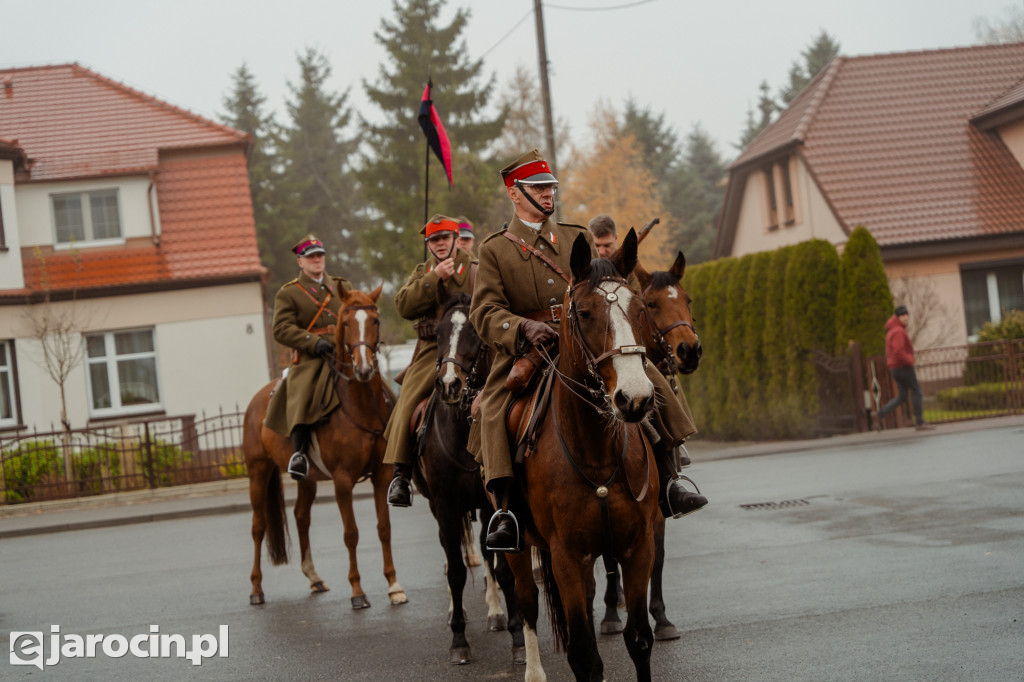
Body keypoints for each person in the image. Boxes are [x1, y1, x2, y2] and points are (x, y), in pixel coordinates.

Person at [469, 149, 707, 552]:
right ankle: (505, 512)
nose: (548, 195)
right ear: (515, 193)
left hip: (585, 340)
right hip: (527, 348)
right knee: (493, 411)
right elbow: (484, 311)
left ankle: (671, 479)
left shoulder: (573, 236)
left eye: (551, 188)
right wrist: (522, 326)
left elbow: (604, 283)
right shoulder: (495, 249)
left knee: (647, 379)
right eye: (539, 189)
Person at [383, 214, 478, 507]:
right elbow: (403, 306)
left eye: (444, 238)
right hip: (432, 349)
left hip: (474, 346)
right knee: (408, 399)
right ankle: (401, 472)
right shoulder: (423, 271)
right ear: (428, 244)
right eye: (434, 240)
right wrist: (434, 277)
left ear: (454, 238)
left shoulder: (476, 269)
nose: (439, 244)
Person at [264, 235, 351, 480]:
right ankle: (299, 453)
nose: (316, 260)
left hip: (344, 352)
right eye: (311, 257)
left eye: (319, 255)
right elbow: (280, 329)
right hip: (312, 357)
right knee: (302, 391)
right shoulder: (289, 293)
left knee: (379, 387)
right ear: (300, 262)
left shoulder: (342, 287)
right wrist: (313, 342)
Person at [876, 305, 934, 430]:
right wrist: (910, 360)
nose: (906, 317)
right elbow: (898, 351)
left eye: (907, 315)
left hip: (895, 368)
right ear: (897, 317)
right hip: (903, 366)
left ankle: (880, 414)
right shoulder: (898, 331)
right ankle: (919, 422)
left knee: (902, 397)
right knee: (917, 390)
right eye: (903, 315)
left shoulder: (892, 329)